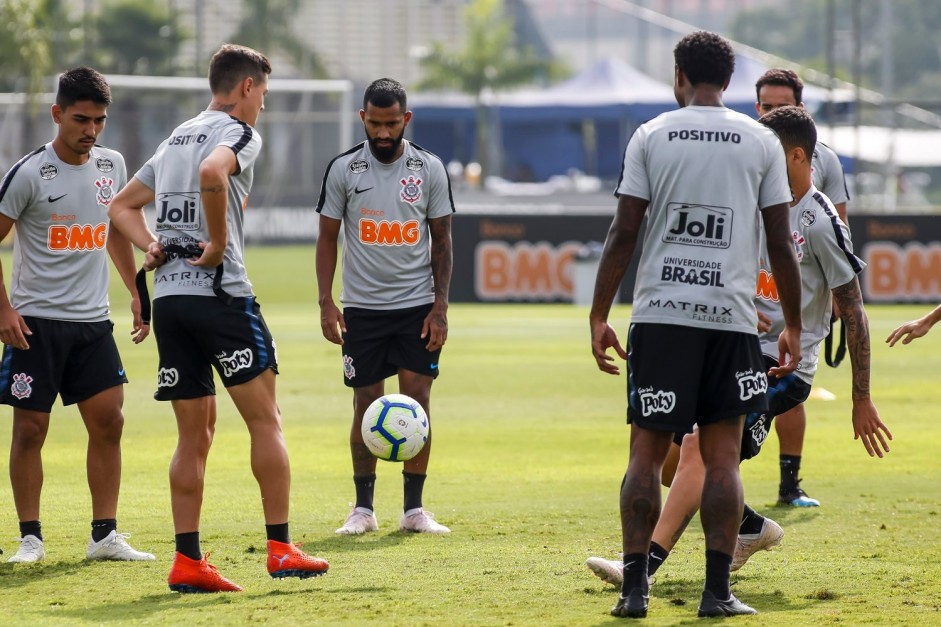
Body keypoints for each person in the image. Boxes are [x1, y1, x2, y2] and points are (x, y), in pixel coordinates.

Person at [586, 105, 892, 593]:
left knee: (695, 448)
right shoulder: (756, 202)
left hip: (786, 369)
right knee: (669, 454)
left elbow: (853, 309)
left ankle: (640, 570)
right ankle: (750, 525)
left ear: (796, 157)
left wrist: (861, 397)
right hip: (738, 349)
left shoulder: (818, 219)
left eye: (769, 152)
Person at [590, 31, 803, 618]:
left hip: (660, 316)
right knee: (722, 458)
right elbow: (781, 244)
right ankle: (716, 594)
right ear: (730, 82)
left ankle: (634, 593)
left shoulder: (651, 135)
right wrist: (792, 325)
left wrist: (599, 314)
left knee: (643, 456)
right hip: (731, 322)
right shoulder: (760, 141)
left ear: (679, 76)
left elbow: (624, 231)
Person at [107, 44, 328, 593]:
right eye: (265, 96)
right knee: (265, 420)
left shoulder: (176, 135)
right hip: (222, 294)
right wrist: (219, 242)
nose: (263, 109)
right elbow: (214, 172)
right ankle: (281, 549)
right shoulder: (237, 133)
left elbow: (119, 206)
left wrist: (153, 244)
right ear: (248, 87)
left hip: (174, 302)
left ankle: (187, 560)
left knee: (193, 436)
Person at [0, 67, 154, 563]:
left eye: (99, 121)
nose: (90, 130)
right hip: (34, 324)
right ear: (57, 114)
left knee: (109, 423)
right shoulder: (28, 174)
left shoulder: (111, 165)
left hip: (92, 324)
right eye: (80, 119)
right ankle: (30, 538)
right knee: (30, 431)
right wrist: (3, 309)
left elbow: (112, 229)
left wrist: (134, 290)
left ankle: (104, 536)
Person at [316, 78, 454, 536]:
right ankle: (363, 509)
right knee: (365, 405)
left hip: (416, 307)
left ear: (405, 120)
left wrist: (440, 307)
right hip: (363, 310)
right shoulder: (343, 170)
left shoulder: (429, 168)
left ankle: (415, 510)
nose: (382, 133)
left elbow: (443, 240)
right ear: (363, 119)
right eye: (374, 123)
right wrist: (325, 302)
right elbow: (326, 238)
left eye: (391, 123)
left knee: (418, 402)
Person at [755, 68, 852, 506]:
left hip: (799, 305)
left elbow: (836, 226)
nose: (771, 111)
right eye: (765, 105)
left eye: (780, 105)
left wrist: (836, 295)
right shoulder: (752, 148)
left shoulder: (823, 160)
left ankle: (788, 484)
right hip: (750, 309)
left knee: (790, 389)